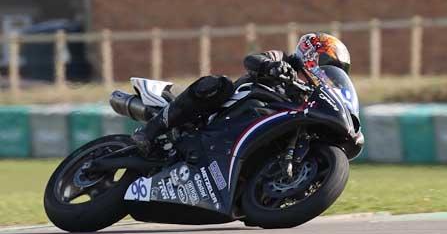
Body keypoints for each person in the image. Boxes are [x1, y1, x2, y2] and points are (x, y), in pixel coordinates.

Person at [131, 32, 351, 156]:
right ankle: (151, 131)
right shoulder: (284, 59)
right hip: (228, 109)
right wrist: (272, 67)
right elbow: (252, 60)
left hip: (252, 131)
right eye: (327, 64)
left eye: (335, 71)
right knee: (219, 84)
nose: (328, 73)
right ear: (312, 53)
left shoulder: (310, 98)